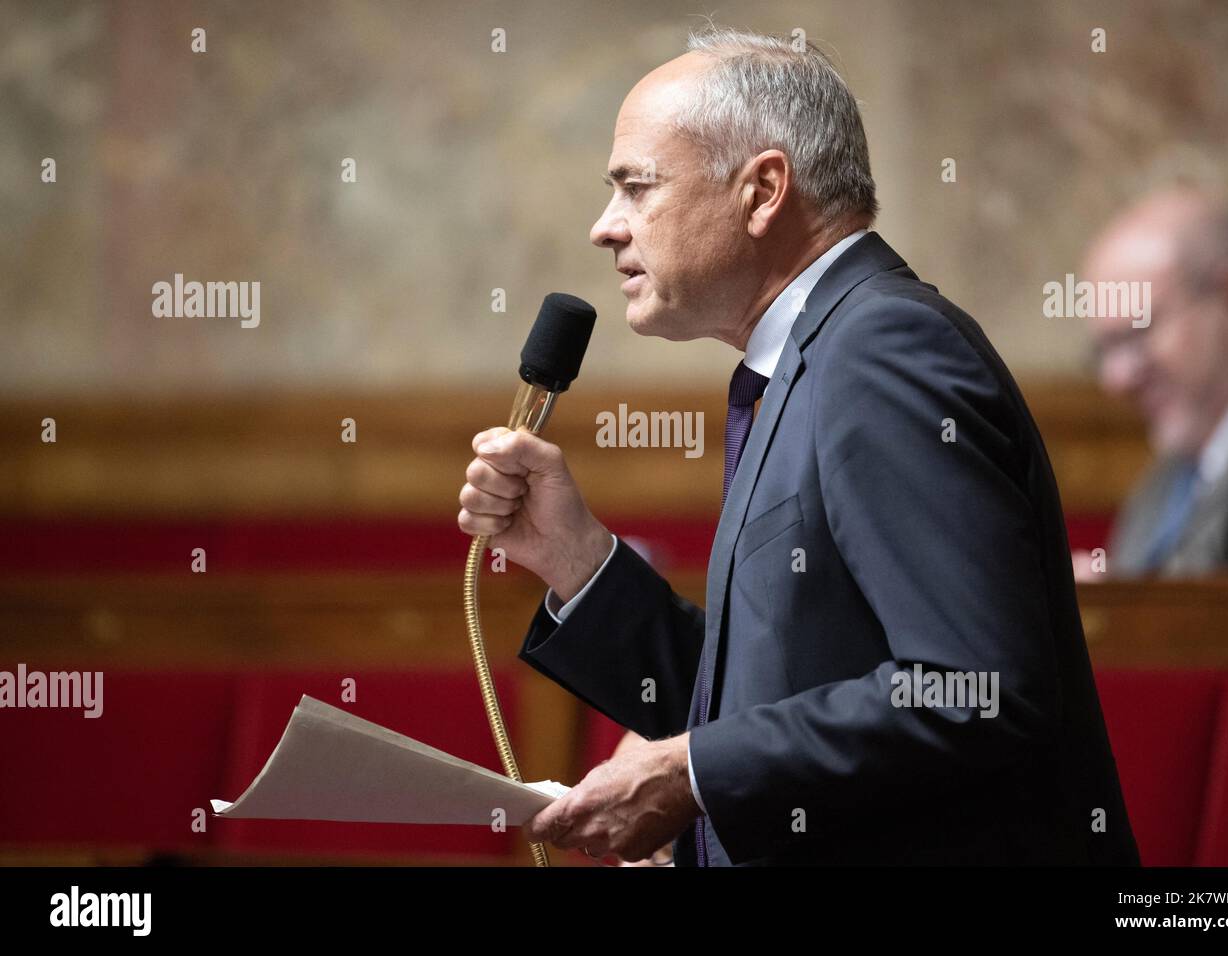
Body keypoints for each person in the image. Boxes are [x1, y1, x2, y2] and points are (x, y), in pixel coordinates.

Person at [458, 27, 1138, 866]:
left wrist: (694, 774)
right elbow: (762, 695)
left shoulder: (882, 351)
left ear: (763, 190)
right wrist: (578, 563)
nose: (605, 228)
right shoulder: (813, 356)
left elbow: (976, 692)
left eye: (637, 188)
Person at [1081, 188, 1228, 577]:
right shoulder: (1168, 481)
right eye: (1105, 350)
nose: (1115, 379)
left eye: (1137, 333)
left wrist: (1123, 622)